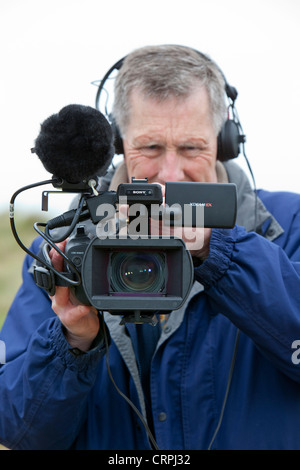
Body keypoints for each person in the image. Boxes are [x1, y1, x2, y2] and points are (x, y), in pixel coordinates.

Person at [1, 44, 300, 451]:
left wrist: (219, 249)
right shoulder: (62, 248)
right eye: (151, 147)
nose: (170, 173)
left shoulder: (288, 225)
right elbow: (19, 430)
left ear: (225, 141)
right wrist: (73, 340)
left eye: (192, 148)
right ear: (119, 144)